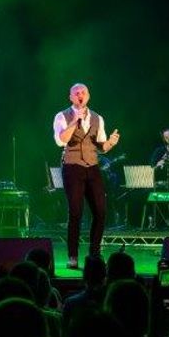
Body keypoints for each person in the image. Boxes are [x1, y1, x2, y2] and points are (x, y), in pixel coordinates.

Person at [52, 83, 121, 270]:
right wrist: (75, 120)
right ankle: (73, 256)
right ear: (71, 97)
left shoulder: (98, 118)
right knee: (75, 213)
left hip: (92, 167)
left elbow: (102, 146)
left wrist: (110, 143)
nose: (80, 95)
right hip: (72, 167)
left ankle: (94, 253)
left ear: (88, 96)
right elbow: (61, 140)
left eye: (83, 92)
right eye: (76, 93)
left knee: (100, 211)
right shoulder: (62, 116)